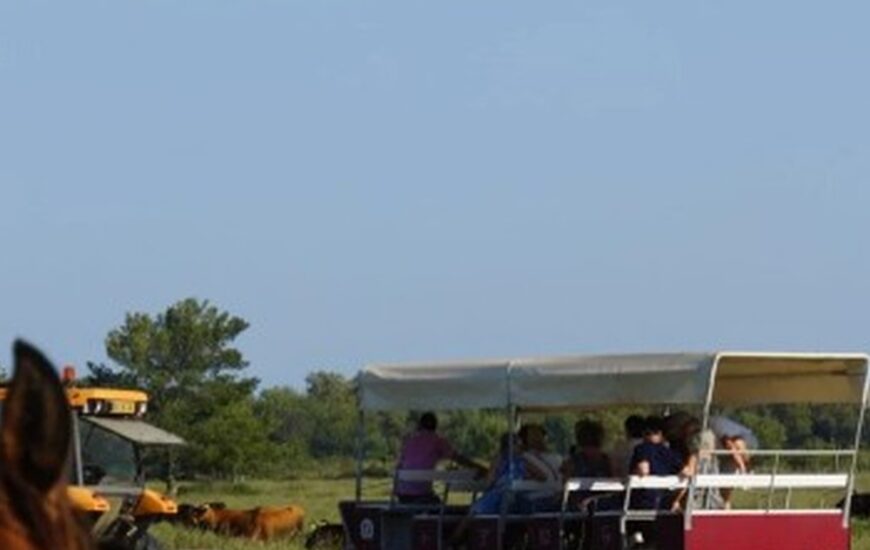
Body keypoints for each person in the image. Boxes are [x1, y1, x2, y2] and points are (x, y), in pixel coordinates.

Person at [394, 412, 485, 504]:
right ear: (435, 426)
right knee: (443, 510)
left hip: (403, 496)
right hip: (422, 495)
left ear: (420, 426)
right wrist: (479, 468)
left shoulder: (409, 442)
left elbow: (399, 466)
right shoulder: (438, 441)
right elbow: (457, 458)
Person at [629, 415, 682, 510]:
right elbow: (684, 471)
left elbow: (643, 470)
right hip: (666, 500)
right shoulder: (670, 452)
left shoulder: (642, 448)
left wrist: (632, 474)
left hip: (645, 500)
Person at [562, 419, 614, 512]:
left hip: (578, 504)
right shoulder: (607, 460)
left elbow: (565, 483)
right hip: (602, 504)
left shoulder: (573, 460)